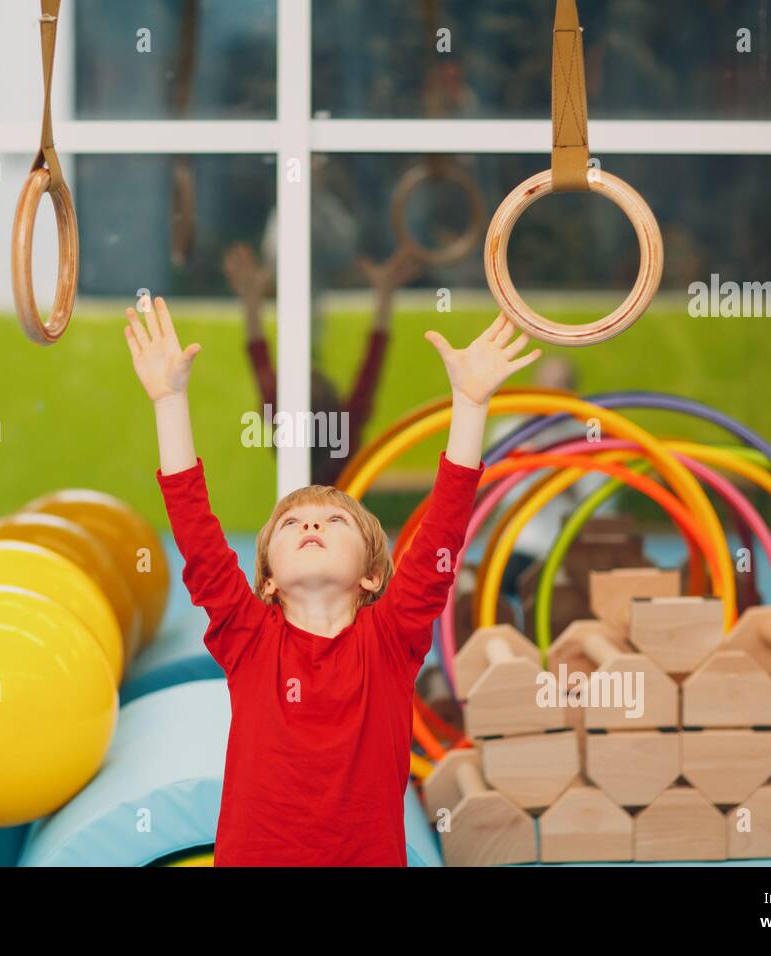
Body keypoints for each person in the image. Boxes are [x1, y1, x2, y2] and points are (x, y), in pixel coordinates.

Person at [124, 293, 540, 866]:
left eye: (334, 520)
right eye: (292, 522)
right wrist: (169, 401)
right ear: (267, 581)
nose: (312, 521)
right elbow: (196, 533)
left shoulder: (392, 640)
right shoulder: (249, 638)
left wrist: (469, 406)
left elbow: (442, 534)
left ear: (372, 575)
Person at [223, 242, 421, 487]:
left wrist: (251, 300)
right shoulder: (344, 433)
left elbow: (258, 355)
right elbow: (372, 364)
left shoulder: (292, 424)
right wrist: (384, 295)